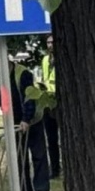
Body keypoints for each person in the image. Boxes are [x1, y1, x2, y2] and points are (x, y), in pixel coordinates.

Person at [0, 56, 50, 191]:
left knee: (38, 156)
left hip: (33, 121)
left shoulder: (23, 74)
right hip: (14, 123)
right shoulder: (0, 78)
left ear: (6, 63)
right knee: (19, 158)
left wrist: (26, 119)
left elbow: (29, 98)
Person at [41, 36, 61, 179]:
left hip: (60, 102)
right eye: (48, 42)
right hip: (48, 102)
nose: (50, 45)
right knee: (51, 139)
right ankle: (55, 170)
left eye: (52, 42)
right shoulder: (45, 60)